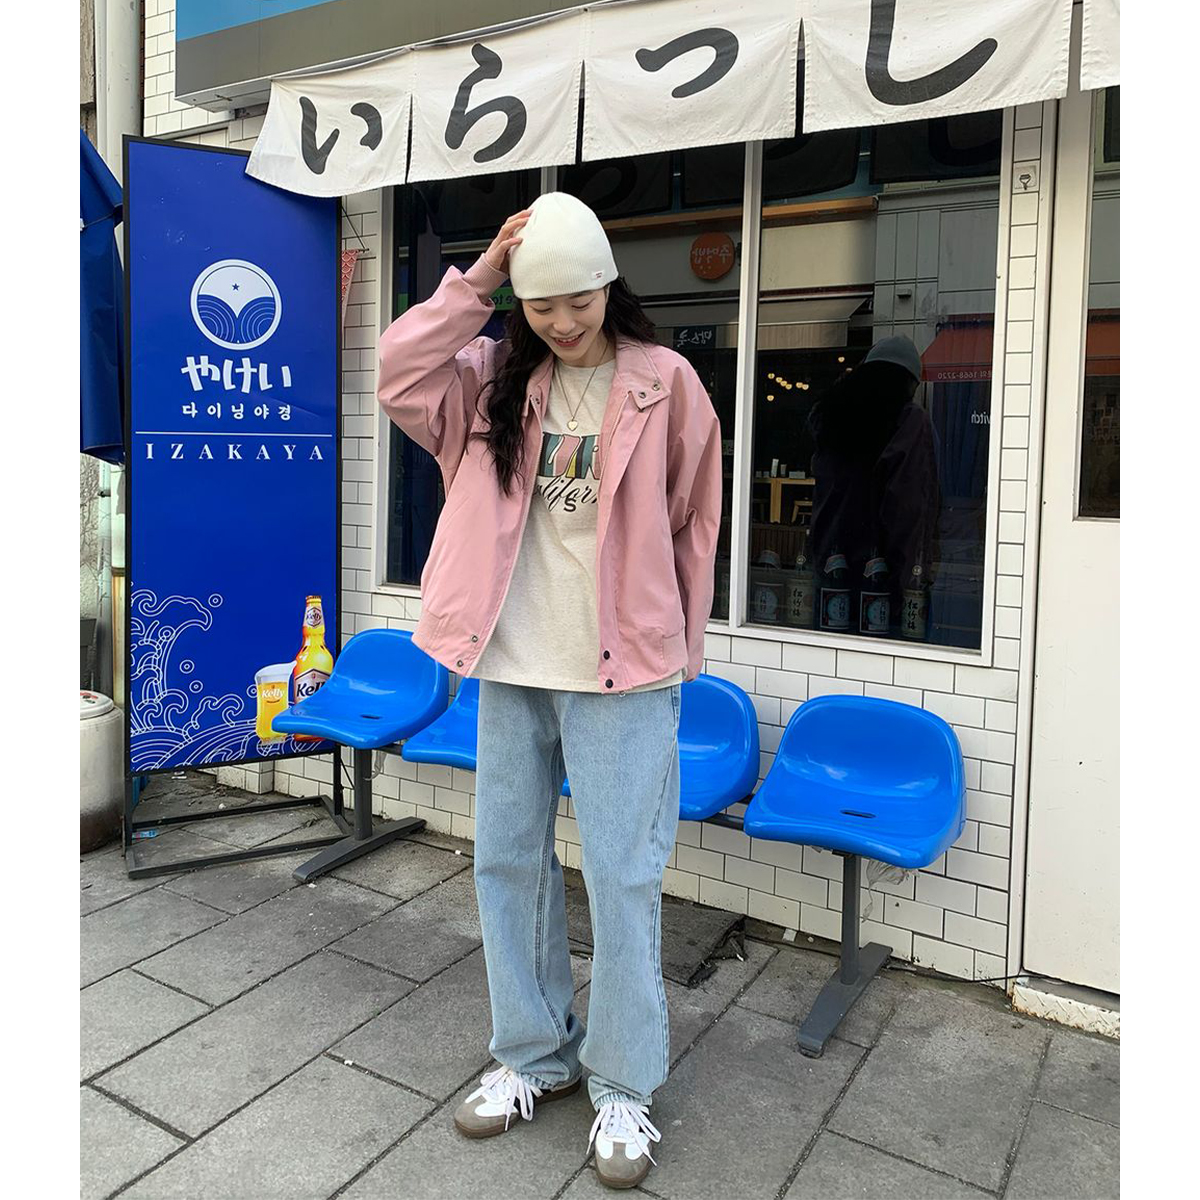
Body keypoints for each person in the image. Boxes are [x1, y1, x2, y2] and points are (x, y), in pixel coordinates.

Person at [376, 192, 722, 1189]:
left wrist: (679, 645)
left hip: (622, 674)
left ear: (610, 285)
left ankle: (622, 1082)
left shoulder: (663, 383)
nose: (563, 321)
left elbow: (695, 519)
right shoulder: (490, 383)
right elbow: (398, 368)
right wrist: (482, 277)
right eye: (541, 304)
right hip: (513, 664)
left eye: (579, 299)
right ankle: (533, 1055)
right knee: (507, 864)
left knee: (622, 876)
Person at [807, 335, 940, 635]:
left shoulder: (832, 418)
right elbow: (908, 510)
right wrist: (910, 582)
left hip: (829, 568)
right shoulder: (909, 422)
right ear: (909, 383)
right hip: (880, 579)